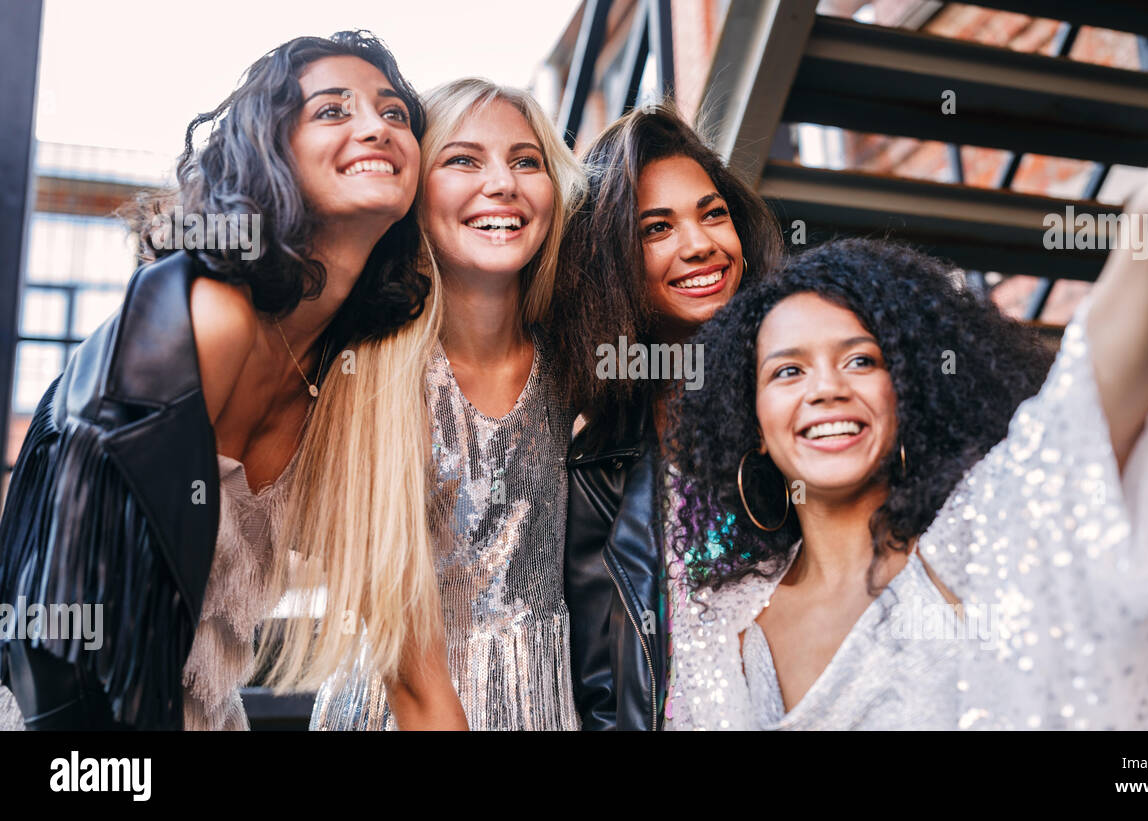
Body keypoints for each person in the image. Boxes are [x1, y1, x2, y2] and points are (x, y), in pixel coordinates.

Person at [660, 0, 1148, 731]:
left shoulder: (982, 547)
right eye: (788, 371)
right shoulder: (719, 629)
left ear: (908, 391)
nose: (827, 388)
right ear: (753, 419)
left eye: (862, 358)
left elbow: (1083, 407)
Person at [0, 31, 461, 730]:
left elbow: (419, 680)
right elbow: (57, 636)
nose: (376, 126)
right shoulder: (210, 316)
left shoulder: (356, 385)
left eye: (395, 113)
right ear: (270, 148)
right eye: (333, 111)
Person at [308, 77, 586, 730]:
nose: (503, 184)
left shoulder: (578, 359)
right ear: (415, 190)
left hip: (547, 704)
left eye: (526, 161)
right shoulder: (366, 370)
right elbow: (402, 657)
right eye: (463, 159)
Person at [553, 105, 783, 730]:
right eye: (657, 228)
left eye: (713, 214)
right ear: (612, 260)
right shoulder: (595, 452)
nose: (700, 244)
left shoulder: (796, 400)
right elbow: (601, 679)